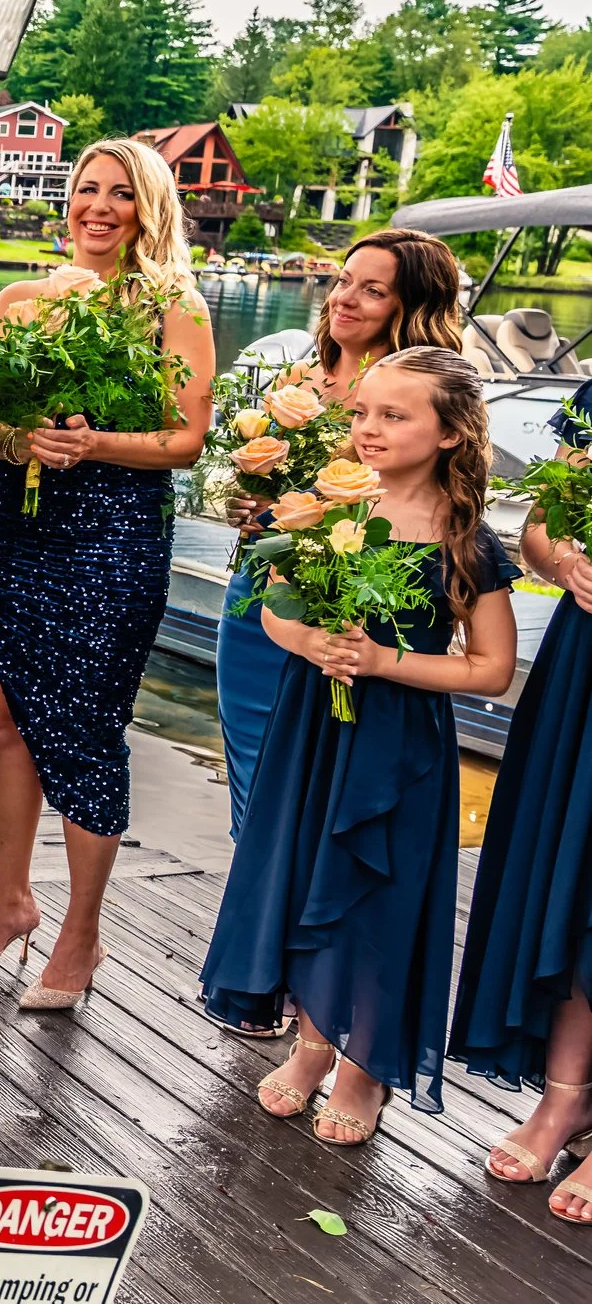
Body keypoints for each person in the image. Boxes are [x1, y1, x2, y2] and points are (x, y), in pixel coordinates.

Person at [201, 347, 518, 1143]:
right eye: (364, 412)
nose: (369, 428)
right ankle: (311, 1047)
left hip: (398, 742)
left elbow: (491, 667)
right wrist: (309, 642)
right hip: (312, 727)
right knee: (307, 878)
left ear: (450, 433)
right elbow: (272, 608)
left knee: (377, 893)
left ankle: (365, 1067)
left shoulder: (464, 538)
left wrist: (383, 661)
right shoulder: (321, 509)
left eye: (395, 414)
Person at [0, 141, 213, 1009]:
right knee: (0, 719)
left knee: (88, 728)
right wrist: (19, 439)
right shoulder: (21, 300)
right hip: (10, 525)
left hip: (111, 531)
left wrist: (94, 443)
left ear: (149, 208)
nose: (99, 207)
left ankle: (83, 933)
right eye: (86, 190)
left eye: (120, 194)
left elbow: (185, 440)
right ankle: (10, 903)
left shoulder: (175, 306)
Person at [215, 229, 462, 844]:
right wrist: (244, 505)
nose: (343, 299)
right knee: (251, 766)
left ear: (412, 307)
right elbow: (258, 486)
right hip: (261, 597)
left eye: (372, 290)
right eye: (343, 281)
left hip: (354, 610)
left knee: (327, 784)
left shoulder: (427, 399)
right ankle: (258, 913)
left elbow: (443, 507)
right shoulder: (297, 379)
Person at [451, 374, 592, 1218]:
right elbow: (542, 529)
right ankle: (568, 1094)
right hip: (588, 659)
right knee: (577, 877)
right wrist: (570, 558)